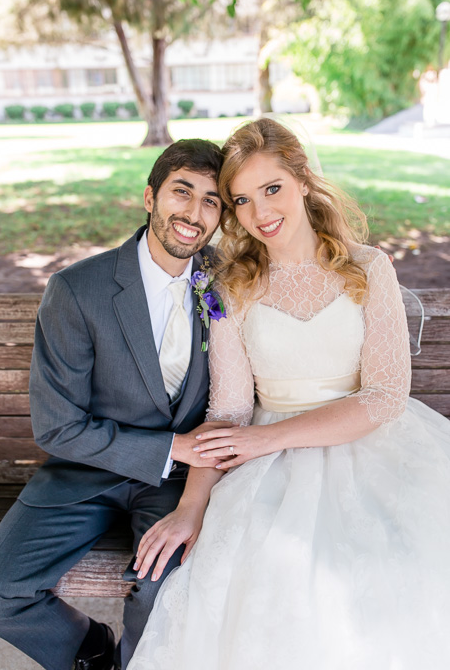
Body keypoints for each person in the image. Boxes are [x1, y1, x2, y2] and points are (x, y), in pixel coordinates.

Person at [127, 118, 450, 670]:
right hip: (268, 466)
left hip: (375, 446)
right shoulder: (229, 285)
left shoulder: (370, 269)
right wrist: (191, 504)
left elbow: (386, 395)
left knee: (401, 564)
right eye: (242, 200)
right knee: (267, 574)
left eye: (272, 189)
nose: (260, 214)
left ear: (303, 179)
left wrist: (264, 438)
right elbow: (228, 409)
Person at [0, 138, 230, 670]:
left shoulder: (230, 282)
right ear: (150, 197)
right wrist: (173, 446)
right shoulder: (78, 290)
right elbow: (57, 429)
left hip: (182, 483)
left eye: (212, 200)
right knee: (1, 587)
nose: (194, 213)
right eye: (181, 192)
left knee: (163, 590)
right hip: (85, 472)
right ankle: (92, 650)